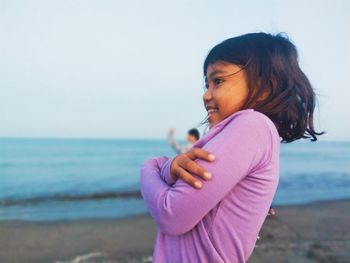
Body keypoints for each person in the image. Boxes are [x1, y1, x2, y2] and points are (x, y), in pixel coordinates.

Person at [140, 32, 324, 263]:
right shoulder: (247, 133)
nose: (206, 95)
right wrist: (168, 168)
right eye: (206, 84)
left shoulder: (252, 125)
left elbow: (172, 215)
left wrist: (150, 166)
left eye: (218, 81)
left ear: (267, 85)